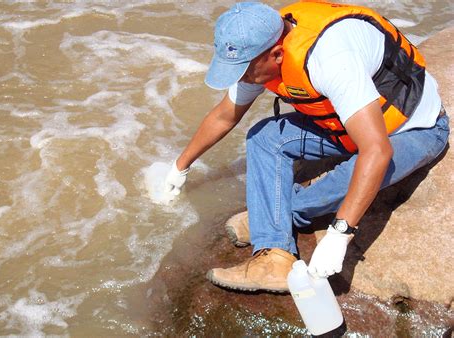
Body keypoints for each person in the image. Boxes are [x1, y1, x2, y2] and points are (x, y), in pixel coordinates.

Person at [164, 1, 449, 293]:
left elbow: (376, 151)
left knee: (358, 171)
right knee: (264, 137)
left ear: (276, 54)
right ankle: (274, 258)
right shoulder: (262, 49)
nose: (241, 78)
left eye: (244, 71)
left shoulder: (330, 59)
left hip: (414, 130)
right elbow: (225, 115)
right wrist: (180, 166)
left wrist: (340, 233)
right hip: (346, 128)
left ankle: (276, 216)